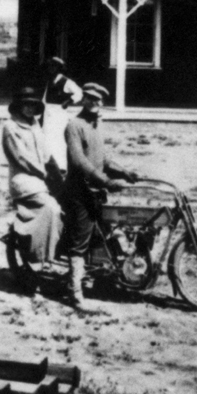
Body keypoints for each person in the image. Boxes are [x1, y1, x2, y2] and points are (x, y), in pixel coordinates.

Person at [60, 83, 146, 310]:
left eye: (98, 100)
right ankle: (74, 292)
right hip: (80, 192)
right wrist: (105, 181)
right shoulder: (74, 125)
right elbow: (79, 161)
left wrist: (125, 172)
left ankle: (104, 276)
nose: (94, 103)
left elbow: (103, 160)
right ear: (83, 100)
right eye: (89, 98)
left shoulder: (96, 125)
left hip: (97, 191)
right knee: (80, 241)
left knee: (106, 231)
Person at [0, 86, 63, 288]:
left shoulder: (34, 123)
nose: (29, 108)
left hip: (40, 179)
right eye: (25, 104)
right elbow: (21, 158)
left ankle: (55, 251)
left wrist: (57, 169)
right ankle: (38, 258)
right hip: (24, 181)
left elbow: (45, 151)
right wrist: (44, 173)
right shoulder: (10, 127)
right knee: (51, 209)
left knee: (69, 203)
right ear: (18, 106)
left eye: (33, 105)